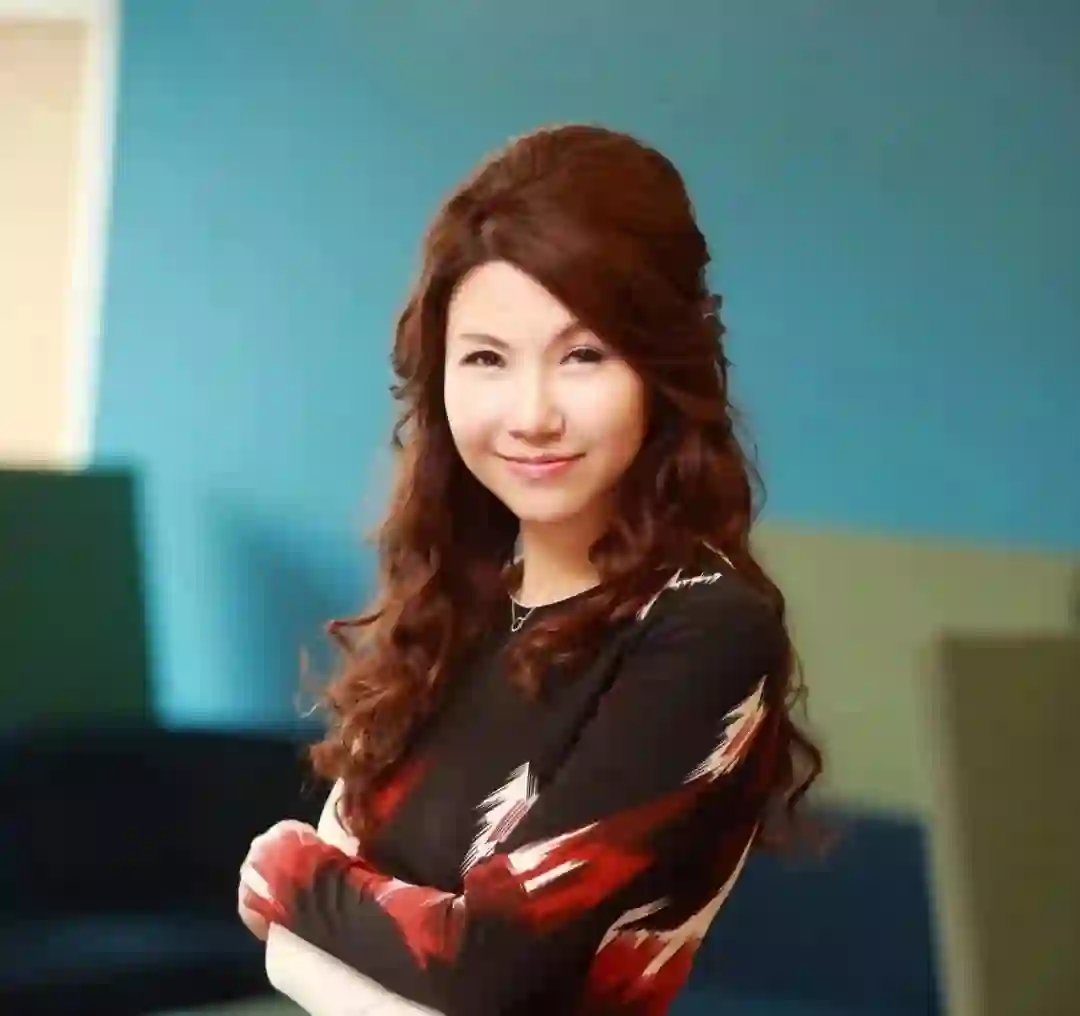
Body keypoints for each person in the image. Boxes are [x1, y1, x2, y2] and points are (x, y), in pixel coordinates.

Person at [238, 123, 822, 1016]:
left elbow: (485, 975)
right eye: (486, 359)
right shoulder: (459, 605)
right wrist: (333, 923)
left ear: (662, 370)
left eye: (583, 355)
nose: (532, 414)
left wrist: (286, 869)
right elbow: (303, 960)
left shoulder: (704, 627)